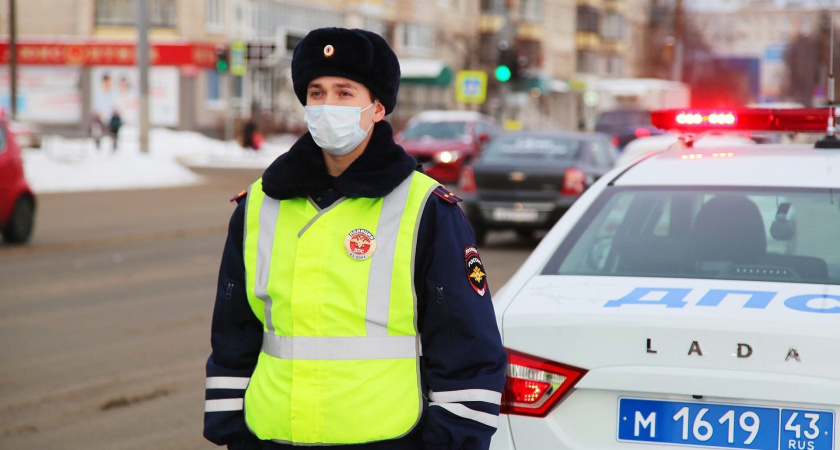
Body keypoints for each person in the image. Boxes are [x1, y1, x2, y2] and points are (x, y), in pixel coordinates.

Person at [203, 27, 507, 450]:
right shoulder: (258, 204)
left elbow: (466, 346)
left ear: (378, 107)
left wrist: (451, 441)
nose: (328, 106)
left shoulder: (428, 208)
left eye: (345, 93)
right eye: (317, 92)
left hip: (387, 438)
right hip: (271, 435)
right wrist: (234, 431)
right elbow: (234, 332)